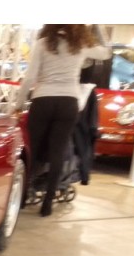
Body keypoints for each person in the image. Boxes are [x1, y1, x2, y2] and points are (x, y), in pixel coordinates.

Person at [15, 25, 111, 217]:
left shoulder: (43, 43)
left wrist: (17, 104)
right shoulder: (81, 44)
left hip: (43, 99)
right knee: (57, 151)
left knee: (33, 149)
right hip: (69, 102)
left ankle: (23, 197)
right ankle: (48, 203)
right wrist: (99, 27)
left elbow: (30, 77)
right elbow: (106, 52)